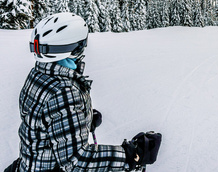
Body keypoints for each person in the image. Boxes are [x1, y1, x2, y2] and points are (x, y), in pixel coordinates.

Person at [6, 13, 161, 172]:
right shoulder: (64, 91)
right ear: (75, 49)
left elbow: (43, 119)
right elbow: (77, 161)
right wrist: (132, 155)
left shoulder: (38, 76)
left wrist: (82, 119)